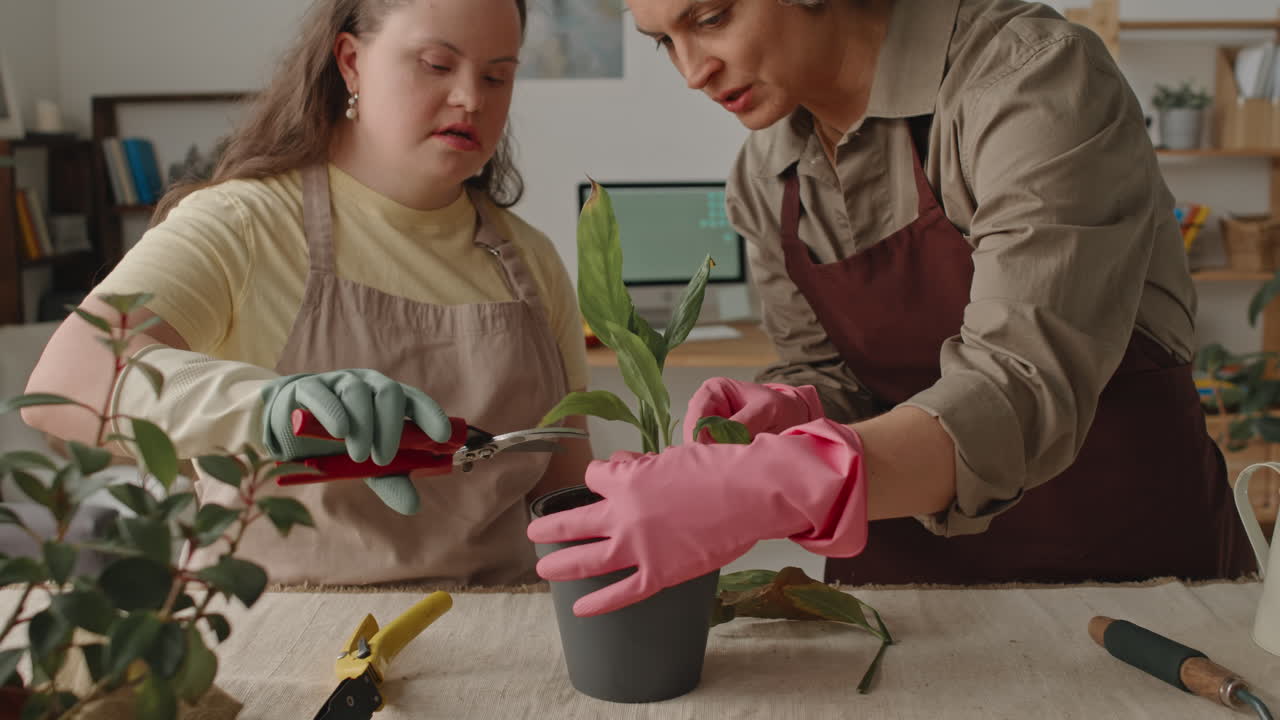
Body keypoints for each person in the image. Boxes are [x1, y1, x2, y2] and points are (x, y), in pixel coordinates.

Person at [528, 0, 1256, 618]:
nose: (692, 72)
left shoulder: (1030, 77)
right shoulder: (764, 176)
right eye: (664, 42)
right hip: (911, 600)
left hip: (1124, 578)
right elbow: (832, 369)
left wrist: (779, 482)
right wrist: (794, 404)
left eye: (712, 18)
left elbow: (1024, 381)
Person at [23, 0, 593, 587]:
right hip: (278, 640)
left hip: (499, 640)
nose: (472, 98)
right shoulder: (242, 223)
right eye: (435, 64)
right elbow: (64, 387)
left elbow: (567, 492)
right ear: (350, 62)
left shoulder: (531, 260)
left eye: (498, 76)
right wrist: (271, 406)